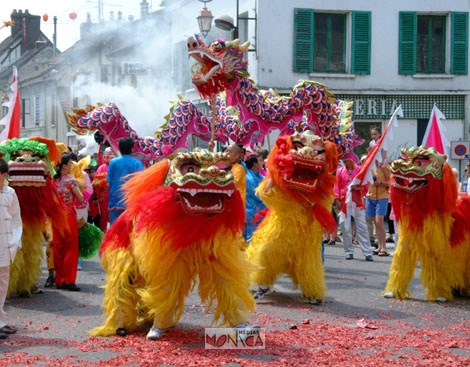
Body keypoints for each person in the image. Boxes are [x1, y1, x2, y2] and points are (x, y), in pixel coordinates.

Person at [53, 153, 83, 291]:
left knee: (58, 247)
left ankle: (59, 280)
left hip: (56, 215)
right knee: (71, 247)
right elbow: (81, 198)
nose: (72, 165)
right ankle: (68, 280)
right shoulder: (70, 181)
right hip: (68, 214)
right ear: (64, 165)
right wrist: (78, 185)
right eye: (70, 163)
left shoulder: (53, 181)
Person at [334, 158, 374, 261]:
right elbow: (336, 186)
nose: (347, 162)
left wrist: (359, 189)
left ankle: (367, 252)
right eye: (345, 160)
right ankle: (349, 251)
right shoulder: (340, 171)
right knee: (345, 227)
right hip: (344, 202)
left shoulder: (360, 171)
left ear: (353, 160)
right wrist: (336, 199)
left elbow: (366, 187)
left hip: (357, 201)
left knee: (362, 226)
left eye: (348, 160)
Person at [0, 159, 22, 339]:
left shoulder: (10, 193)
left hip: (6, 245)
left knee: (2, 285)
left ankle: (0, 321)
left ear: (4, 175)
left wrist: (15, 243)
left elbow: (16, 219)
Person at [107, 138, 144, 225]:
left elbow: (109, 181)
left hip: (114, 201)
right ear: (132, 148)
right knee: (130, 232)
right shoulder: (137, 163)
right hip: (131, 202)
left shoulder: (113, 162)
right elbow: (141, 183)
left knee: (115, 232)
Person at [365, 160, 391, 257]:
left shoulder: (386, 168)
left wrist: (379, 183)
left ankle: (384, 247)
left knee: (379, 221)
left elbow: (390, 183)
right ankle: (379, 246)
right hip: (370, 196)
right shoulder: (369, 167)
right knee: (375, 222)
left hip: (382, 197)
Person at [243, 153, 266, 241]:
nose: (262, 162)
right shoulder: (249, 178)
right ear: (254, 164)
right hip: (253, 213)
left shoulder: (259, 175)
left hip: (261, 211)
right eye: (259, 161)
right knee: (251, 238)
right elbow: (257, 195)